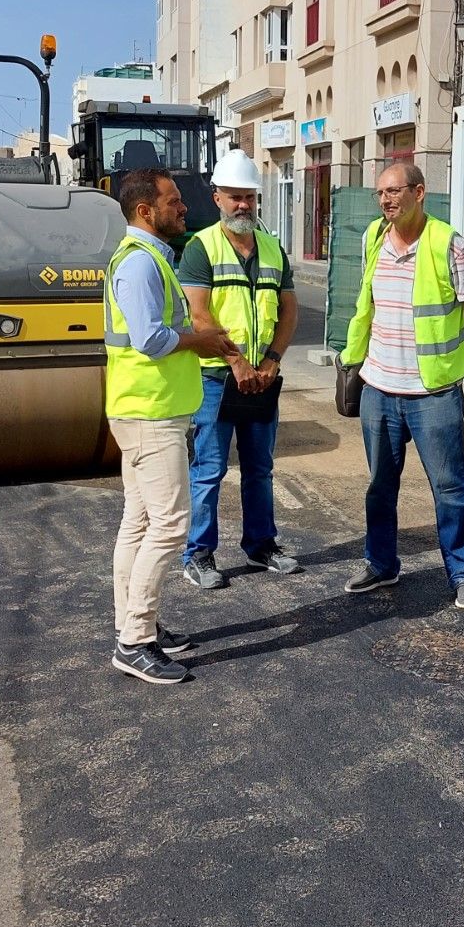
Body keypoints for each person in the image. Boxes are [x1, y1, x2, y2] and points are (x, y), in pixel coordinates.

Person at [104, 168, 237, 684]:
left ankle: (136, 626)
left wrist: (203, 339)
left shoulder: (151, 257)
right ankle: (135, 640)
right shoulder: (139, 264)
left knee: (139, 524)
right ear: (146, 211)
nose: (184, 208)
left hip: (148, 410)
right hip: (148, 414)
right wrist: (198, 341)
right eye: (174, 201)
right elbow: (149, 339)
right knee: (170, 526)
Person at [339, 161, 464, 609]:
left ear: (419, 193)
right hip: (378, 388)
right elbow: (368, 305)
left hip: (433, 391)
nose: (386, 199)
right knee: (379, 485)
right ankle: (381, 564)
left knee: (450, 487)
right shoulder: (371, 239)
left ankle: (462, 573)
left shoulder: (449, 244)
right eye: (380, 192)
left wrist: (437, 351)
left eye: (395, 190)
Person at [179, 148, 303, 589]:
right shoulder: (201, 247)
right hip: (215, 379)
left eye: (249, 196)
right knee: (209, 469)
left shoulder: (271, 248)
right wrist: (235, 361)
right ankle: (198, 554)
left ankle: (260, 545)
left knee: (260, 467)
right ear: (217, 198)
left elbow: (289, 311)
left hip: (262, 379)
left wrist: (271, 360)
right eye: (234, 196)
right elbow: (198, 316)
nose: (243, 205)